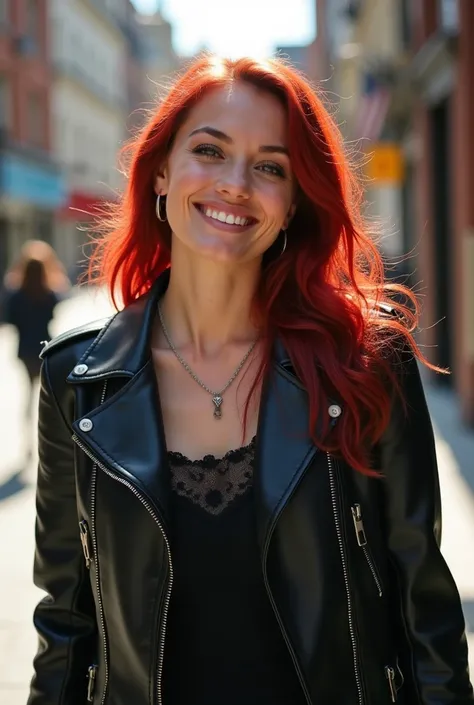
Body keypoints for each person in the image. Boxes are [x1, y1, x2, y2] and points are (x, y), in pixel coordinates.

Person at [28, 55, 473, 705]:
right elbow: (64, 625)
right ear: (160, 171)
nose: (235, 183)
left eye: (269, 166)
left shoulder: (366, 363)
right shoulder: (78, 381)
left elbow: (427, 614)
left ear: (294, 203)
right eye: (209, 150)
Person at [1, 241, 69, 413]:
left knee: (30, 386)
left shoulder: (16, 296)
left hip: (24, 347)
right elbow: (54, 313)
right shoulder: (49, 294)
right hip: (45, 346)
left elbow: (10, 319)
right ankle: (45, 418)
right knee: (48, 388)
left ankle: (30, 416)